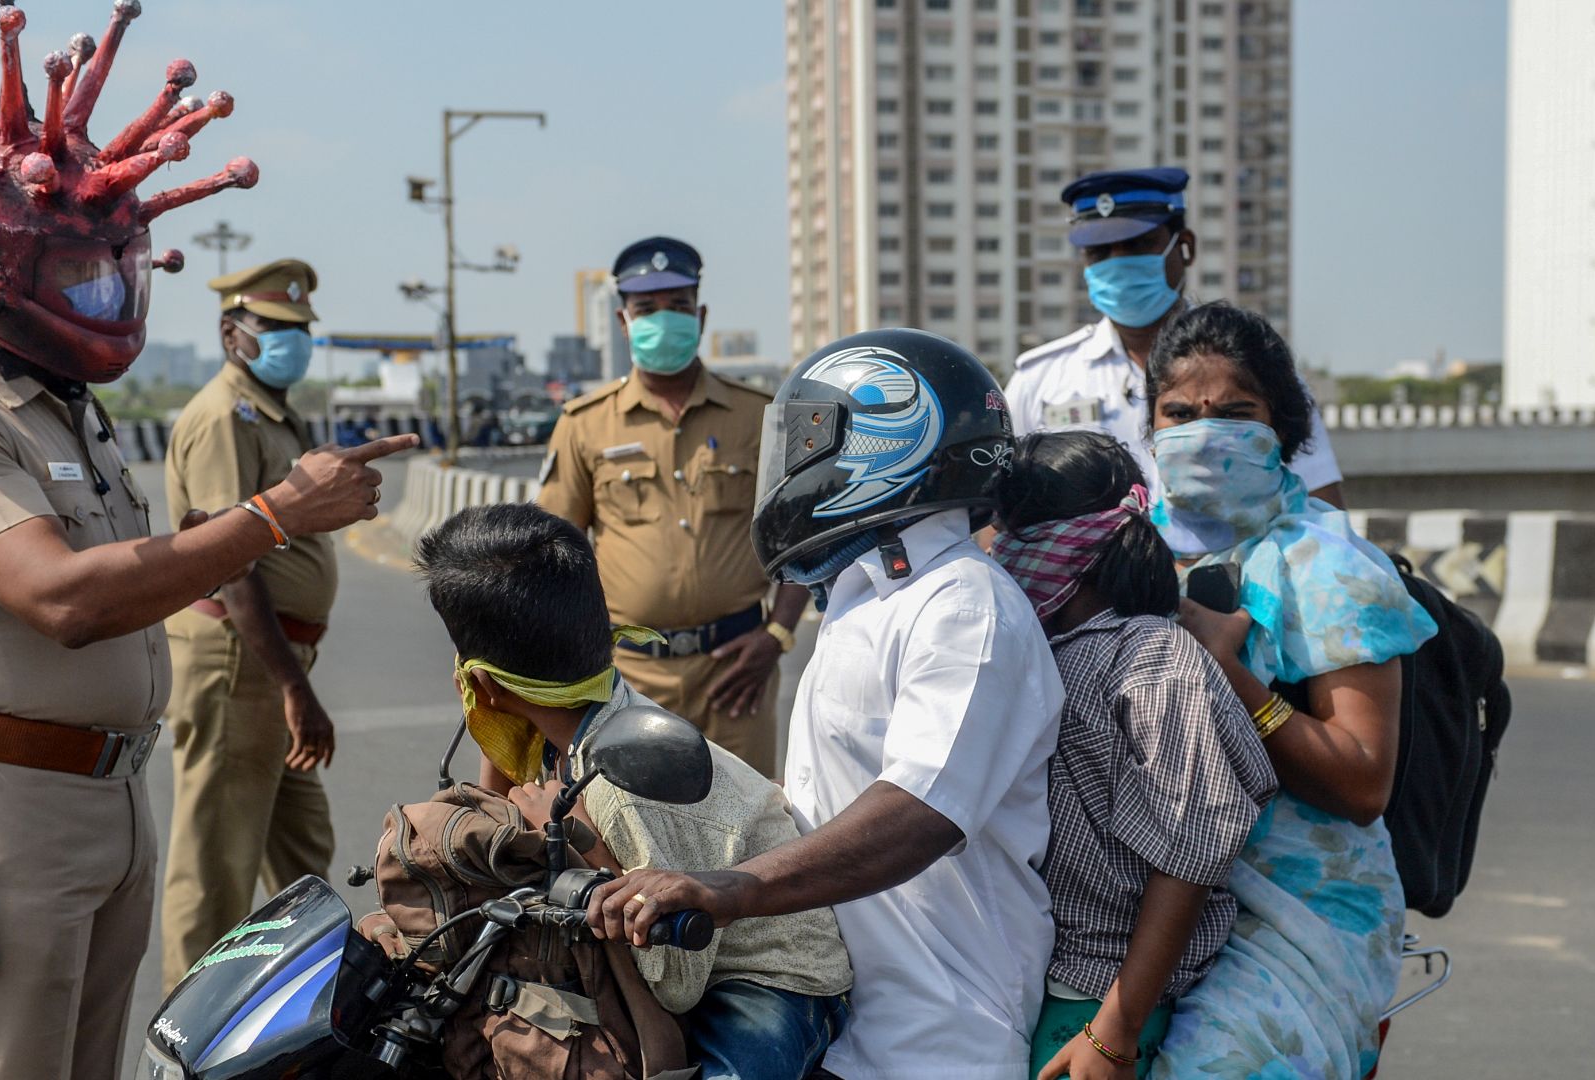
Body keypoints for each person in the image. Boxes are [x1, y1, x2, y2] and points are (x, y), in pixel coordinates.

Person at [0, 9, 419, 1075]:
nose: (112, 298)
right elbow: (67, 600)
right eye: (83, 278)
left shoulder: (70, 408)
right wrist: (274, 516)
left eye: (124, 270)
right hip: (10, 804)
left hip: (111, 793)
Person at [590, 329, 1067, 1080]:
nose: (794, 462)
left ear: (891, 440)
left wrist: (734, 890)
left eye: (813, 437)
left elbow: (920, 813)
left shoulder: (964, 606)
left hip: (935, 1029)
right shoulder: (865, 596)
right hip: (840, 1014)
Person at [414, 502, 853, 1080]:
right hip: (665, 946)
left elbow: (674, 981)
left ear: (482, 682)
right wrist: (489, 717)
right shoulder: (566, 716)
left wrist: (579, 841)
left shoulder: (623, 792)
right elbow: (490, 805)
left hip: (767, 974)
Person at [1136, 303, 1437, 1079]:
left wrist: (1229, 676)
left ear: (1283, 430)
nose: (1204, 433)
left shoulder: (1327, 567)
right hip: (1141, 903)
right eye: (1180, 413)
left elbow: (1363, 780)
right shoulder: (1125, 550)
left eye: (1235, 413)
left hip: (1294, 920)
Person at [990, 431, 1277, 1079]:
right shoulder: (1041, 649)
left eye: (1008, 531)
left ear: (1061, 544)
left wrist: (1115, 1029)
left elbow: (1192, 850)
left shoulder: (1154, 659)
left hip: (1104, 1000)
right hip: (1040, 982)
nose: (996, 551)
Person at [536, 237, 807, 776]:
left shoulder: (759, 415)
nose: (664, 320)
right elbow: (553, 553)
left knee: (748, 837)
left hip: (736, 671)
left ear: (701, 316)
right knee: (631, 839)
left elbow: (803, 535)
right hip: (626, 676)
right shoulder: (584, 423)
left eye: (679, 307)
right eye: (647, 309)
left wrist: (776, 636)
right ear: (623, 321)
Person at [160, 259, 344, 990]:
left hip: (268, 667)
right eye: (275, 329)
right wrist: (293, 686)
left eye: (300, 330)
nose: (291, 342)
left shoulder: (269, 411)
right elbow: (230, 563)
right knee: (214, 869)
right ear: (231, 333)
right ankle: (188, 1034)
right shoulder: (223, 418)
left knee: (303, 852)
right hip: (241, 661)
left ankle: (300, 1006)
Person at [1006, 167, 1346, 507]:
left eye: (1139, 245)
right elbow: (1001, 518)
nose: (1119, 262)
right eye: (1100, 251)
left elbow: (1320, 506)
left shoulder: (1260, 371)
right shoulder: (1039, 380)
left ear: (1185, 247)